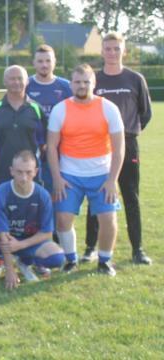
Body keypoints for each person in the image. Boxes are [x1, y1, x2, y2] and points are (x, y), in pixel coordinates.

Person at [47, 64, 125, 276]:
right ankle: (71, 259)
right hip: (69, 175)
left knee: (108, 220)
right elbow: (51, 147)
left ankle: (105, 261)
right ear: (71, 84)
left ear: (94, 83)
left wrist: (112, 180)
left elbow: (119, 149)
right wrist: (57, 178)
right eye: (77, 82)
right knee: (62, 219)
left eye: (86, 82)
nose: (82, 86)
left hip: (101, 175)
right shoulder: (60, 109)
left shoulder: (109, 108)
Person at [84, 32, 153, 265]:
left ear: (124, 51)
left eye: (116, 48)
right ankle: (90, 248)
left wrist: (129, 134)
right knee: (97, 196)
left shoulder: (135, 79)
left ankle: (138, 250)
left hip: (128, 145)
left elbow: (146, 113)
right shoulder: (93, 79)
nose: (112, 52)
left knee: (130, 196)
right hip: (98, 147)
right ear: (102, 51)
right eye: (108, 48)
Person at [0, 150, 65, 290]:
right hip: (3, 242)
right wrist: (10, 270)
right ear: (12, 171)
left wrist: (20, 245)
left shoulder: (43, 195)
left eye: (28, 172)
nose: (24, 177)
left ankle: (25, 261)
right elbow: (3, 236)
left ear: (36, 171)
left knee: (57, 258)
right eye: (19, 172)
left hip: (27, 242)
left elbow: (47, 233)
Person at [0, 65, 47, 187]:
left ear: (27, 81)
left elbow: (43, 144)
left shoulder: (36, 109)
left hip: (30, 175)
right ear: (4, 81)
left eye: (20, 78)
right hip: (2, 174)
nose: (16, 82)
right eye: (12, 79)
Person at [26, 44, 73, 192]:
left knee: (57, 194)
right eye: (40, 61)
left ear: (55, 62)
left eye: (48, 60)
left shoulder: (66, 86)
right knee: (32, 193)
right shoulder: (26, 84)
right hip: (31, 148)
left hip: (61, 150)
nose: (44, 65)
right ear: (34, 63)